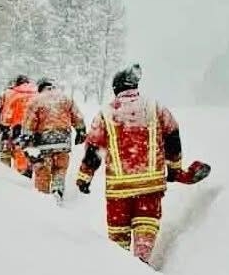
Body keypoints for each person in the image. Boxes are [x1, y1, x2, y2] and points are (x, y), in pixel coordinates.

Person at [75, 63, 209, 263]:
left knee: (117, 241)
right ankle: (141, 265)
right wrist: (174, 169)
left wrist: (84, 177)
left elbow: (94, 150)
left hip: (118, 191)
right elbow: (173, 138)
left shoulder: (106, 113)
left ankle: (119, 272)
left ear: (116, 88)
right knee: (145, 231)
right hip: (150, 188)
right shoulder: (155, 108)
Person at [19, 77, 86, 201]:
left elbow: (29, 124)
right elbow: (78, 117)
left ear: (40, 88)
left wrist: (26, 141)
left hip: (43, 144)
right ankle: (57, 190)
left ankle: (43, 198)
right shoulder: (65, 98)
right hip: (63, 142)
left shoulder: (36, 101)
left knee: (43, 172)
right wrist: (81, 131)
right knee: (60, 169)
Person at [0, 74, 38, 176]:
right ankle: (30, 168)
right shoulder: (36, 94)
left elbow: (2, 111)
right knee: (30, 148)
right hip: (33, 126)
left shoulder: (10, 93)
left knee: (14, 148)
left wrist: (1, 127)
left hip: (16, 125)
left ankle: (17, 172)